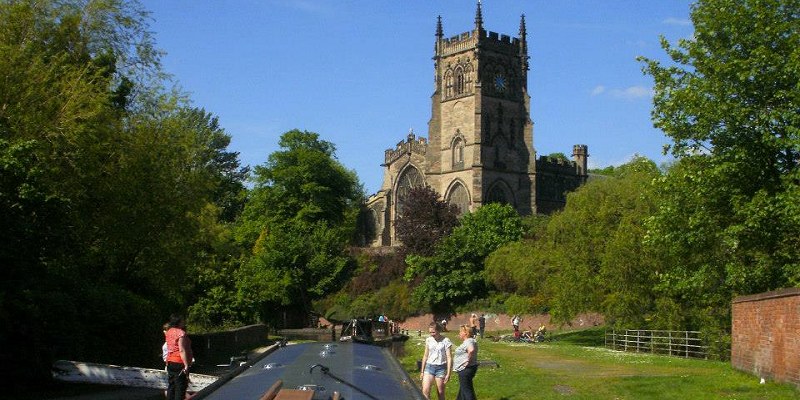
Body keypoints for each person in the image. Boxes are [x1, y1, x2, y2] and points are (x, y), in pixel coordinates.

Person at [420, 322, 452, 400]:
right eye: (430, 332)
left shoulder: (446, 340)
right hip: (429, 367)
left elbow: (449, 357)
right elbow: (425, 355)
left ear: (438, 330)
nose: (432, 334)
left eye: (433, 332)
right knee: (425, 391)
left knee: (440, 392)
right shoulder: (428, 340)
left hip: (441, 368)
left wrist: (448, 373)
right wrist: (422, 371)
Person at [165, 314, 193, 400]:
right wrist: (186, 365)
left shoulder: (169, 332)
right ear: (179, 322)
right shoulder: (181, 333)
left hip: (170, 361)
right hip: (178, 361)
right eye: (182, 320)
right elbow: (181, 350)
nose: (184, 322)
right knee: (180, 387)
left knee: (172, 385)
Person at [453, 325, 479, 400]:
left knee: (467, 391)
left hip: (465, 370)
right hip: (468, 369)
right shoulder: (470, 340)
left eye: (460, 332)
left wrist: (468, 361)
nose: (459, 333)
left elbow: (471, 350)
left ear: (466, 333)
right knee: (464, 388)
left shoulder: (468, 341)